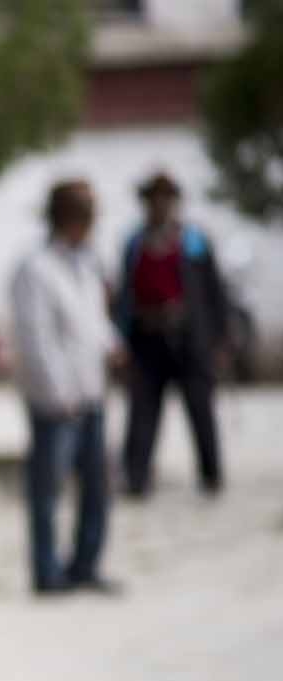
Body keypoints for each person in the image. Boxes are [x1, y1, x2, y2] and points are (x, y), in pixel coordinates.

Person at [10, 179, 121, 595]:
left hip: (91, 391)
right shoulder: (35, 268)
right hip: (56, 402)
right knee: (49, 490)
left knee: (98, 486)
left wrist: (113, 345)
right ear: (65, 218)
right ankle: (47, 572)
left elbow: (93, 320)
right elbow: (35, 338)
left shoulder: (88, 262)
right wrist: (58, 394)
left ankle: (85, 565)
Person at [115, 171, 230, 497]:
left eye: (165, 198)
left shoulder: (193, 241)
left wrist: (219, 339)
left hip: (189, 339)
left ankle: (211, 474)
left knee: (200, 409)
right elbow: (125, 295)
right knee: (142, 412)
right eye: (154, 199)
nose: (160, 205)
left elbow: (214, 292)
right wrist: (122, 341)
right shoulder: (135, 244)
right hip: (147, 339)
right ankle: (136, 477)